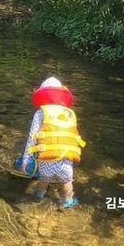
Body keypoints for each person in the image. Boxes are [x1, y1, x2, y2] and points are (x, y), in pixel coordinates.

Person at [19, 77, 85, 209]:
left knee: (44, 179)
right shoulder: (70, 113)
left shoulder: (40, 112)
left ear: (43, 94)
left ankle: (39, 195)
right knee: (67, 182)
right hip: (66, 158)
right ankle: (68, 203)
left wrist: (26, 159)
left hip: (47, 160)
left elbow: (32, 137)